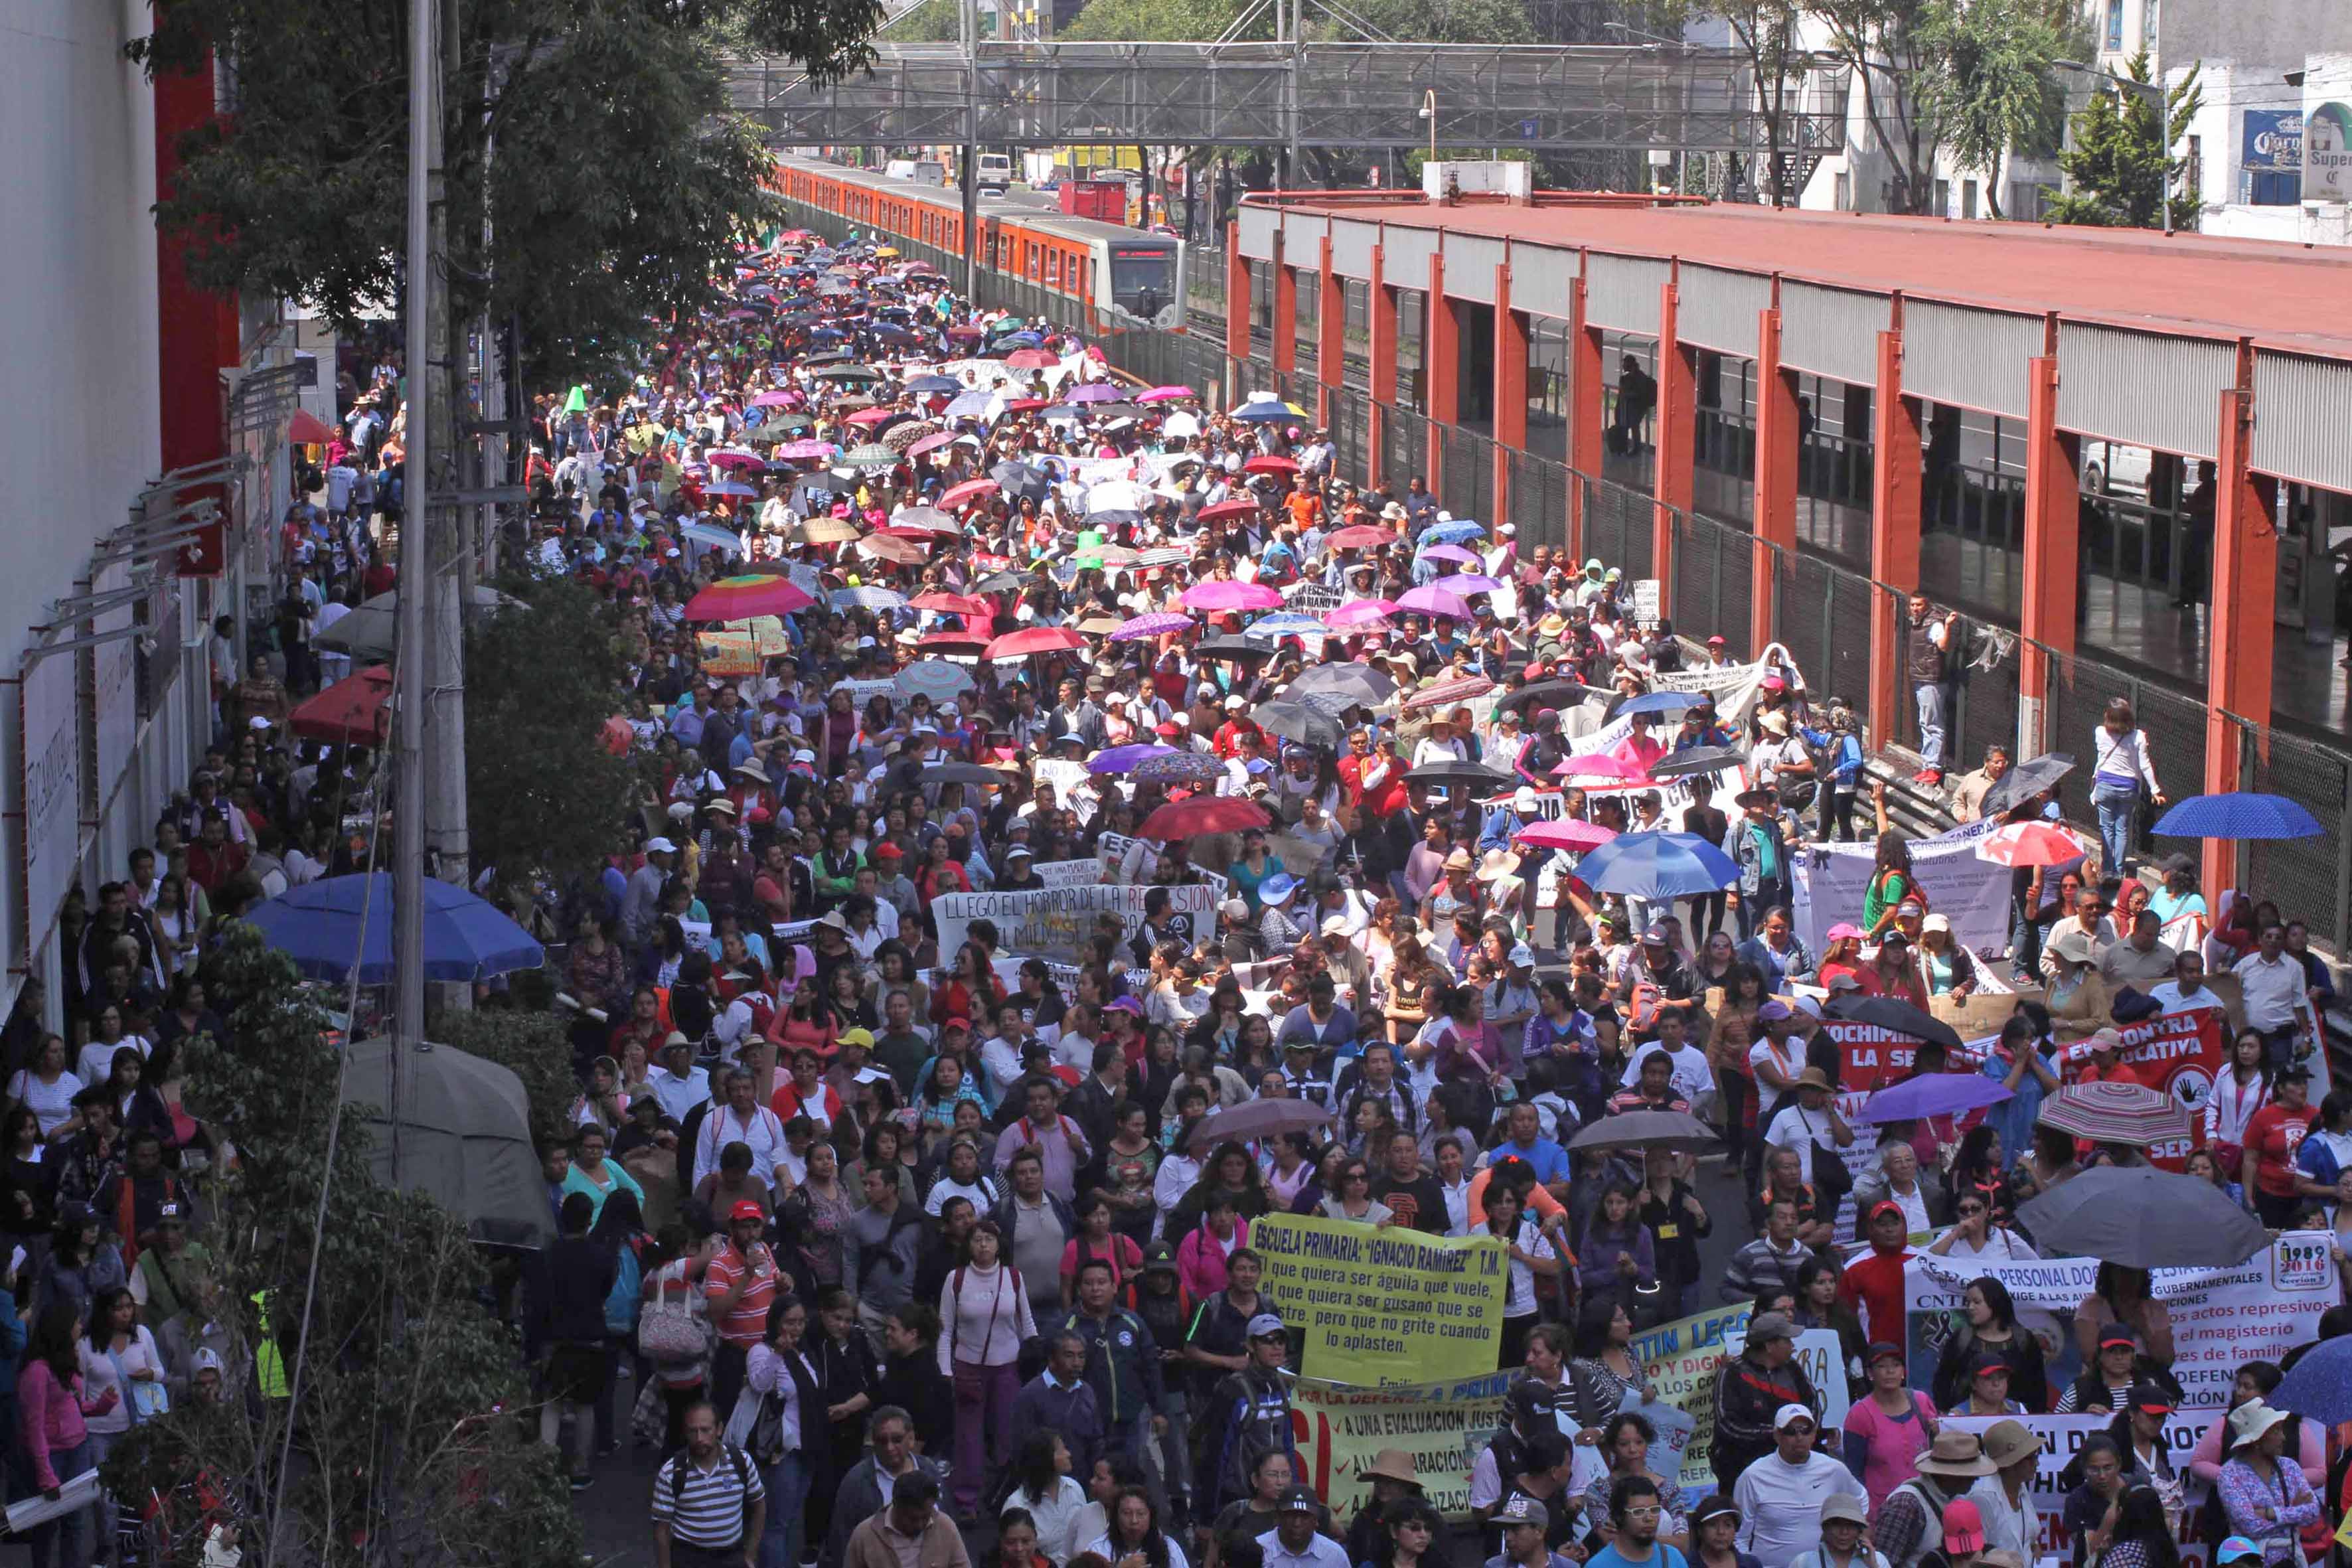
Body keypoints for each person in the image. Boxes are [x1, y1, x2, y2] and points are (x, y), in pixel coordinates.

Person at [939, 1218, 1038, 1519]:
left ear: (999, 1245)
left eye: (989, 1239)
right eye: (977, 1239)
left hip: (1008, 1368)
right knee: (969, 1437)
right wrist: (945, 1371)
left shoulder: (1014, 1277)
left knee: (1008, 1432)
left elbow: (1027, 1322)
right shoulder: (956, 1279)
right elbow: (945, 1330)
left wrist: (1035, 1356)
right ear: (968, 1245)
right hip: (969, 1368)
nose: (983, 1245)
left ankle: (1007, 1494)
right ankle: (967, 1500)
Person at [1732, 1404, 1867, 1568]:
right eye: (1791, 1431)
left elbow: (1861, 1500)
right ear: (1777, 1435)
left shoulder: (1834, 1469)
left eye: (1806, 1430)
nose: (1799, 1437)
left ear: (1814, 1434)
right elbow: (1739, 1537)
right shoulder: (1753, 1476)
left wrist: (1856, 1536)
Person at [1196, 1313, 1298, 1522]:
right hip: (1238, 1502)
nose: (1276, 1347)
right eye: (1268, 1340)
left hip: (1276, 1502)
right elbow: (1215, 1456)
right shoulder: (1232, 1391)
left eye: (1281, 1340)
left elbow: (1288, 1447)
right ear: (1251, 1345)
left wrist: (1293, 1497)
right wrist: (1207, 1516)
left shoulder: (1284, 1386)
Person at [745, 1295, 823, 1568]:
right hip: (782, 1451)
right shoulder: (762, 1351)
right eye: (790, 1322)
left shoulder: (804, 1351)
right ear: (776, 1322)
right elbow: (759, 1385)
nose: (796, 1328)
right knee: (776, 1524)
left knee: (790, 1520)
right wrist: (777, 1354)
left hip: (808, 1446)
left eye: (801, 1322)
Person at [1711, 1314, 1818, 1496]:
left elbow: (1813, 1407)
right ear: (1769, 1346)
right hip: (1741, 1467)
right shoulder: (1732, 1372)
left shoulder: (1793, 1369)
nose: (1793, 1346)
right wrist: (1776, 1434)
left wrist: (1797, 1435)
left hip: (1792, 1464)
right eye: (1787, 1340)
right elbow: (1727, 1424)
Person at [652, 1401, 767, 1568]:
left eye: (706, 1430)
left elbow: (759, 1505)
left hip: (732, 1558)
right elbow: (661, 1529)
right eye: (693, 1431)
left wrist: (750, 1555)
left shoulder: (741, 1462)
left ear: (719, 1429)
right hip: (689, 1560)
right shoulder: (671, 1472)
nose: (699, 1438)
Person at [1840, 1343, 1938, 1518]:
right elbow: (1854, 1474)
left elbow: (1938, 1451)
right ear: (1870, 1374)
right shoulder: (1859, 1414)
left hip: (1926, 1508)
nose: (1890, 1371)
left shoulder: (1922, 1402)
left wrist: (1938, 1432)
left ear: (1903, 1371)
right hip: (1881, 1513)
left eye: (1896, 1365)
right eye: (1882, 1366)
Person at [2215, 1400, 2317, 1565]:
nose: (2283, 1437)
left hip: (2291, 1561)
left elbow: (2313, 1512)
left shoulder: (2289, 1467)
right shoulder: (2230, 1474)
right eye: (2276, 1431)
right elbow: (2250, 1525)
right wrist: (2294, 1512)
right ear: (2257, 1441)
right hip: (2251, 1563)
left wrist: (2271, 1513)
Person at [1870, 1431, 1992, 1568]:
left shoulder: (1957, 1497)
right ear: (1948, 1475)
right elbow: (1883, 1562)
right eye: (1970, 1473)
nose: (1976, 1478)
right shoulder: (1905, 1505)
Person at [2088, 698, 2164, 876]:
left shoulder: (2100, 732)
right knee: (2121, 829)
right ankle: (2119, 872)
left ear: (2108, 715)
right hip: (2128, 787)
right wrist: (2155, 790)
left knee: (2107, 828)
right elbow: (2145, 765)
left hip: (2105, 785)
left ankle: (2107, 870)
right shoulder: (2138, 737)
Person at [842, 1468, 972, 1568]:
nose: (920, 1525)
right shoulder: (865, 1535)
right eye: (912, 1519)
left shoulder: (945, 1527)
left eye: (926, 1517)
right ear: (896, 1505)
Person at [1004, 1431, 1090, 1567]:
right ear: (1045, 1459)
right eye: (1062, 1450)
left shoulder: (1074, 1488)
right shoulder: (1017, 1504)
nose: (1068, 1454)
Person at [1083, 1484, 1191, 1568]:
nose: (1134, 1521)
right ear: (1116, 1516)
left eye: (1141, 1514)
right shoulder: (1097, 1550)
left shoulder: (1169, 1547)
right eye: (1127, 1513)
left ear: (1151, 1517)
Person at [1253, 1484, 1348, 1568]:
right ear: (1277, 1517)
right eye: (1291, 1516)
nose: (1297, 1523)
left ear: (1316, 1520)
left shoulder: (1335, 1555)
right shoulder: (1257, 1549)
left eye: (1305, 1516)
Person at [1488, 1492, 1578, 1568]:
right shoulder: (1494, 1566)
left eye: (1515, 1529)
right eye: (1506, 1529)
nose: (1508, 1537)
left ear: (1539, 1532)